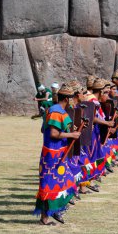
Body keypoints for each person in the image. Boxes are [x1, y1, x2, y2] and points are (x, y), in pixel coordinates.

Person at [34, 84, 80, 225]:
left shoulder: (54, 110)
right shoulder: (56, 111)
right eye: (72, 98)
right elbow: (53, 133)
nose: (73, 100)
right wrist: (71, 134)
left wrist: (69, 131)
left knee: (64, 182)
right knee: (50, 184)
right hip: (52, 155)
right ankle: (46, 217)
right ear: (66, 99)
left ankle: (53, 213)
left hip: (58, 153)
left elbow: (44, 129)